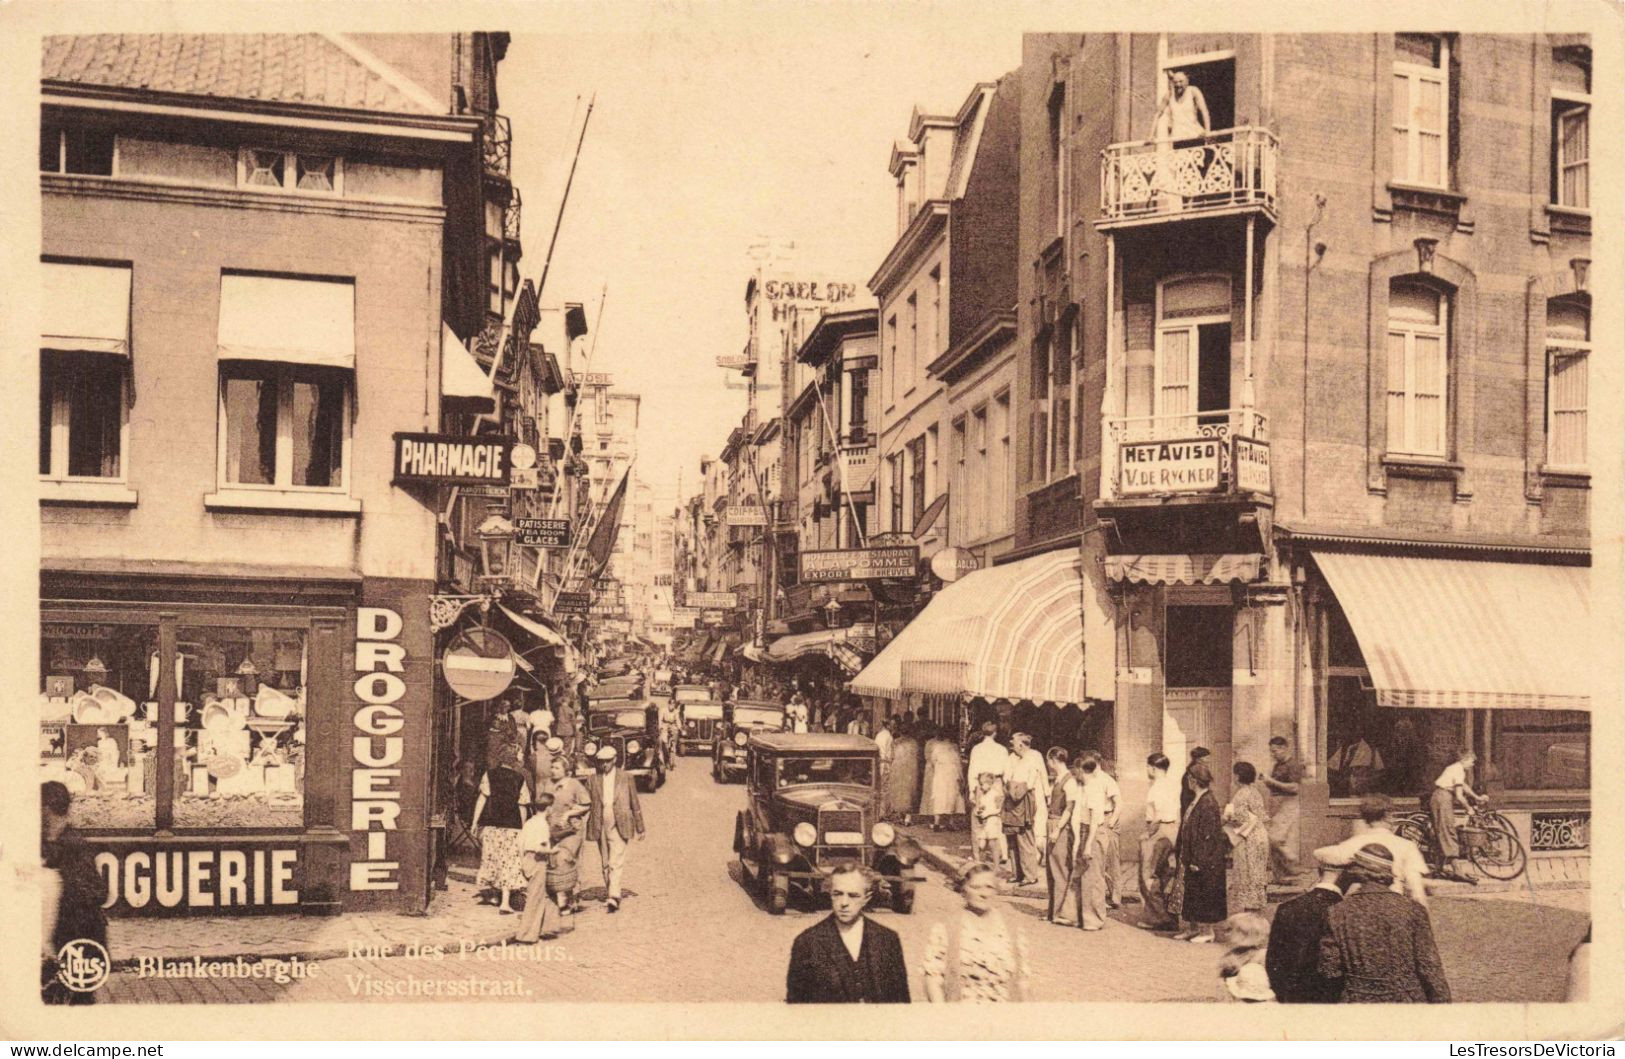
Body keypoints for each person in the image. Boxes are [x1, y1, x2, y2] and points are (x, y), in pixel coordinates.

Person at [1318, 845, 1451, 1003]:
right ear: (1389, 874)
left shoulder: (1336, 912)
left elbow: (1329, 969)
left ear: (1356, 873)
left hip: (1357, 1001)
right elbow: (1429, 966)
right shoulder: (1413, 909)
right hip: (1406, 1000)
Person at [785, 861, 911, 1003]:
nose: (844, 902)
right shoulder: (807, 942)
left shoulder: (887, 940)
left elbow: (902, 1004)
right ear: (830, 894)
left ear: (866, 898)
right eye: (838, 894)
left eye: (853, 895)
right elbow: (796, 1010)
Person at [40, 781, 108, 1005]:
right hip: (68, 942)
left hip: (78, 940)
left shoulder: (72, 845)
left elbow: (97, 892)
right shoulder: (52, 843)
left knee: (78, 1004)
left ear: (47, 809)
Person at [923, 863, 1030, 1002]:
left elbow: (1022, 982)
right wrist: (944, 1017)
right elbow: (933, 977)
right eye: (975, 887)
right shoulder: (947, 928)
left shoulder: (1012, 929)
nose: (984, 894)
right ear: (963, 890)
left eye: (989, 887)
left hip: (1005, 1017)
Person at [1313, 794, 1429, 906]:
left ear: (1365, 819)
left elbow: (1320, 853)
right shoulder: (1407, 845)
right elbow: (1416, 889)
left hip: (1360, 905)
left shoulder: (1352, 843)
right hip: (1393, 903)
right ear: (1388, 816)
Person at [1266, 858, 1350, 1003]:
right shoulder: (1346, 912)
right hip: (1330, 1001)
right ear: (1347, 878)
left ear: (1319, 872)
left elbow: (1273, 962)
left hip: (1292, 997)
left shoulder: (1287, 907)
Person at [585, 745, 645, 913]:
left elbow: (635, 803)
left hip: (620, 820)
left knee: (616, 859)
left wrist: (641, 827)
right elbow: (585, 802)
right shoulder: (593, 779)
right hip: (600, 820)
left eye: (607, 761)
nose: (604, 765)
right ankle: (610, 890)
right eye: (601, 762)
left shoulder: (626, 778)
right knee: (605, 861)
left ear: (615, 760)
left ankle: (614, 895)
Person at [1173, 761, 1227, 943]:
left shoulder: (1208, 803)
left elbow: (1208, 836)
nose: (1188, 781)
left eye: (1190, 778)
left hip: (1204, 858)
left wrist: (1198, 859)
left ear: (1194, 780)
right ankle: (1192, 928)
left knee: (1204, 892)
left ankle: (1207, 932)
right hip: (1191, 855)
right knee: (1192, 892)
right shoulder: (1197, 799)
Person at [471, 758, 531, 914]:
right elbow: (522, 805)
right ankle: (504, 902)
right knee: (509, 863)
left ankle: (493, 896)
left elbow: (482, 799)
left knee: (493, 859)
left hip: (492, 825)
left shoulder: (489, 775)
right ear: (514, 760)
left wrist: (474, 822)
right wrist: (523, 828)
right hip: (512, 827)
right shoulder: (519, 778)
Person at [514, 792, 570, 944]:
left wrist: (522, 862)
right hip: (538, 860)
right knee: (535, 898)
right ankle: (526, 935)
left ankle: (548, 928)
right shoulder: (543, 825)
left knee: (546, 894)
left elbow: (520, 844)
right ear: (549, 808)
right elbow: (540, 848)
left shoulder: (529, 822)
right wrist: (554, 850)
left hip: (527, 860)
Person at [1137, 752, 1182, 931]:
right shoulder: (1173, 785)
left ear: (1154, 768)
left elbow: (1157, 816)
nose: (1147, 770)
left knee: (1148, 874)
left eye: (1148, 767)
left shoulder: (1156, 788)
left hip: (1159, 830)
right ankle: (1170, 916)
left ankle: (1157, 918)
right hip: (1173, 829)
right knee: (1167, 875)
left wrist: (1147, 834)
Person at [1223, 761, 1272, 913]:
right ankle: (1255, 910)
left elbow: (1242, 818)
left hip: (1249, 837)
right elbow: (1261, 815)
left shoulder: (1241, 794)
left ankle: (1250, 911)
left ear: (1237, 776)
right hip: (1261, 834)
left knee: (1248, 873)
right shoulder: (1255, 791)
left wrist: (1227, 816)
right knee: (1257, 872)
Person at [545, 754, 591, 913]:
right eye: (552, 767)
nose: (553, 771)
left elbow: (586, 804)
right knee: (555, 861)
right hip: (553, 830)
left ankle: (566, 900)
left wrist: (568, 814)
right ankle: (567, 898)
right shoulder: (548, 784)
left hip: (572, 830)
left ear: (566, 770)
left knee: (565, 858)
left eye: (557, 768)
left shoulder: (575, 785)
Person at [1430, 748, 1484, 878]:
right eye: (1471, 761)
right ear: (1464, 760)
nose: (1473, 764)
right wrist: (1468, 808)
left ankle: (1438, 869)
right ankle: (1457, 871)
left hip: (1440, 797)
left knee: (1442, 832)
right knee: (1448, 831)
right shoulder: (1458, 770)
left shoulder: (1455, 768)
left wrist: (1476, 797)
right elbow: (1460, 796)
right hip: (1443, 798)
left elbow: (1463, 786)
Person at [1002, 732, 1045, 886]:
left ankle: (1030, 875)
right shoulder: (1016, 759)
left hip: (1022, 801)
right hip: (1012, 801)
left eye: (1013, 742)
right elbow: (1007, 780)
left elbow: (1027, 785)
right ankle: (1017, 873)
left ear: (1021, 744)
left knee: (1024, 838)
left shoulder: (1032, 759)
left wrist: (1010, 787)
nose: (1011, 744)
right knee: (1012, 838)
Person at [1044, 748, 1081, 926]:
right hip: (1052, 823)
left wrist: (1057, 829)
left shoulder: (1069, 781)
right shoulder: (1059, 779)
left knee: (1059, 869)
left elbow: (1070, 807)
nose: (1048, 764)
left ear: (1054, 760)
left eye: (1048, 760)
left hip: (1060, 825)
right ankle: (1052, 912)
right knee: (1051, 869)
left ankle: (1061, 912)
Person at [1073, 756, 1110, 931]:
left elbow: (1095, 819)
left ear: (1081, 769)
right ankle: (1084, 917)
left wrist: (1088, 844)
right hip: (1084, 831)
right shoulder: (1084, 788)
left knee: (1093, 877)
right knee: (1084, 877)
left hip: (1093, 833)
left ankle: (1094, 919)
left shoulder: (1094, 788)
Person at [1262, 736, 1304, 885]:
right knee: (1273, 840)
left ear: (1284, 748)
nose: (1273, 754)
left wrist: (1271, 781)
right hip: (1276, 801)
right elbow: (1276, 785)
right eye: (1271, 751)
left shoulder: (1293, 765)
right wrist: (1268, 782)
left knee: (1275, 838)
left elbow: (1294, 788)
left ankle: (1293, 863)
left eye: (1275, 751)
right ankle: (1280, 877)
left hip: (1288, 802)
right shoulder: (1277, 765)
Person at [1219, 912, 1277, 1003]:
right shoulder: (1231, 955)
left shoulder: (1261, 955)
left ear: (1246, 935)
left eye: (1230, 930)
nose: (1225, 934)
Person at [919, 724, 967, 829]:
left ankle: (937, 821)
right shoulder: (953, 747)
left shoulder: (937, 747)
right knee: (951, 797)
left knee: (940, 797)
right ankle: (950, 821)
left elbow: (933, 761)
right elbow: (958, 763)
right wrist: (961, 777)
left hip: (940, 774)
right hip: (952, 774)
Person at [1329, 729, 1386, 797]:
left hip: (1368, 794)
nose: (1355, 733)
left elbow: (1380, 772)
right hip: (1346, 794)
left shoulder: (1372, 750)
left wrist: (1366, 781)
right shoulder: (1344, 750)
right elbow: (1331, 769)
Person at [966, 722, 1010, 805]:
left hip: (980, 785)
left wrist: (972, 790)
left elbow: (972, 772)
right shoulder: (1002, 750)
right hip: (997, 785)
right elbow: (1007, 773)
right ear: (995, 734)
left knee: (980, 811)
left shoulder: (976, 749)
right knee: (996, 812)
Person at [971, 772, 1007, 871]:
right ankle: (981, 864)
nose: (981, 787)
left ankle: (996, 866)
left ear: (990, 784)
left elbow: (998, 809)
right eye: (980, 784)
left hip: (993, 820)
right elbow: (982, 807)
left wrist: (987, 813)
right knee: (981, 844)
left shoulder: (995, 794)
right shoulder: (984, 795)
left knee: (993, 843)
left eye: (983, 784)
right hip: (984, 822)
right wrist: (979, 811)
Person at [888, 720, 922, 822]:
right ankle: (908, 816)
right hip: (911, 769)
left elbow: (891, 757)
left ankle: (899, 814)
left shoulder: (895, 742)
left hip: (898, 769)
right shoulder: (914, 743)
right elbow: (918, 756)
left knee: (899, 790)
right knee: (910, 791)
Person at [1179, 746, 1212, 819]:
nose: (1208, 761)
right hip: (1191, 804)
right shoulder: (1192, 773)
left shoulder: (1197, 771)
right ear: (1199, 759)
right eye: (1206, 758)